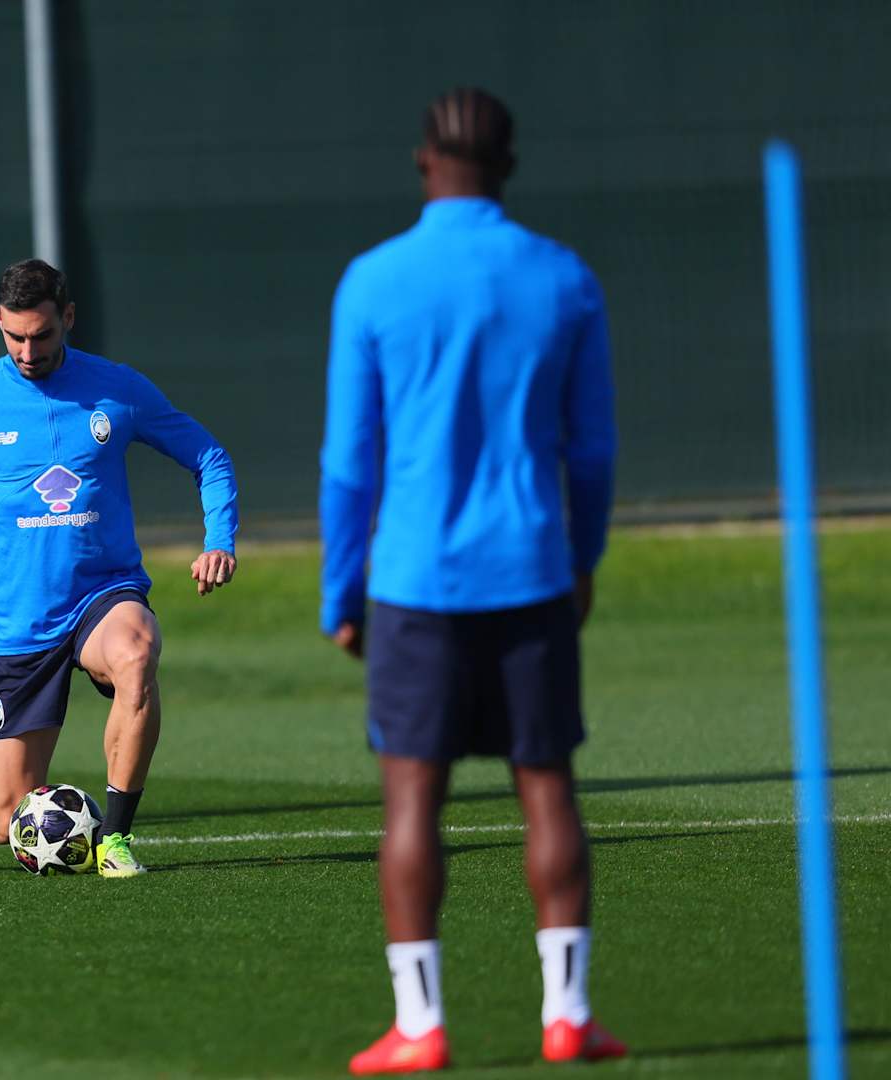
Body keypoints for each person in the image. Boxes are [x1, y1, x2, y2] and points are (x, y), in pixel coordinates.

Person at [320, 88, 625, 1073]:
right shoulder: (564, 278)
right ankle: (567, 1016)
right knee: (549, 790)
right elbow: (592, 450)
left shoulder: (372, 281)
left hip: (414, 584)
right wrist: (582, 558)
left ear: (424, 162)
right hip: (532, 570)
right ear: (510, 166)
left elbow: (349, 464)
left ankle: (420, 1026)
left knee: (412, 801)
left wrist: (341, 593)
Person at [0, 258, 238, 878]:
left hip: (102, 596)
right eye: (15, 336)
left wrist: (218, 538)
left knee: (137, 654)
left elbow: (209, 457)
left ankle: (115, 839)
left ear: (68, 317)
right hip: (19, 626)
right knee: (7, 815)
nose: (28, 352)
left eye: (42, 335)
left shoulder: (117, 390)